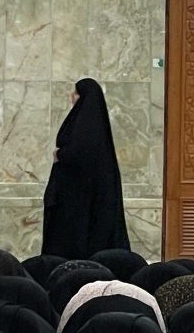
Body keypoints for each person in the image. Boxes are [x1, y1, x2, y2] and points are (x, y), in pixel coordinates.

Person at [41, 79, 130, 258]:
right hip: (89, 200)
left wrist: (61, 155)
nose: (71, 96)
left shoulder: (85, 128)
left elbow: (77, 154)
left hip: (75, 202)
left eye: (76, 93)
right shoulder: (97, 128)